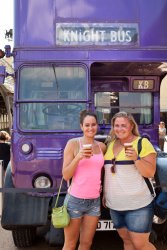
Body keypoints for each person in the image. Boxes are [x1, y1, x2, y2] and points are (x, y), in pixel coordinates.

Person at [103, 111, 157, 250]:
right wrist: (105, 193)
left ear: (131, 126)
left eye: (123, 125)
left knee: (140, 245)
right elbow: (109, 172)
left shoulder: (142, 143)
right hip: (115, 205)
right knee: (127, 242)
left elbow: (150, 172)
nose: (119, 129)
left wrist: (136, 159)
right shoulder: (110, 143)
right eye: (116, 125)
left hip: (138, 205)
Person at [62, 110, 106, 250]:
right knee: (70, 244)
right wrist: (78, 157)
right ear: (81, 126)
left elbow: (101, 171)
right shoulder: (73, 144)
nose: (90, 128)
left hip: (94, 201)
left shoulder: (101, 146)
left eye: (93, 124)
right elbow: (66, 175)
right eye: (87, 125)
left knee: (86, 244)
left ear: (97, 126)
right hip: (75, 200)